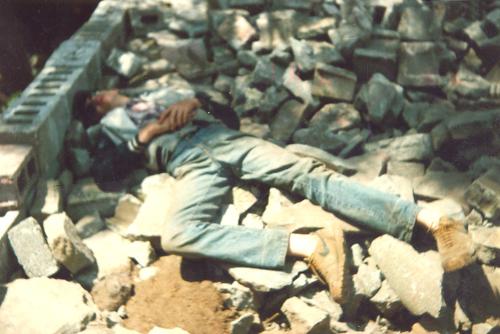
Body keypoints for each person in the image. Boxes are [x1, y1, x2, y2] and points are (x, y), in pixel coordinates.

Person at [74, 87, 476, 304]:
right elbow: (105, 172)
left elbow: (227, 117)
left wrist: (197, 102)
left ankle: (432, 221)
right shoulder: (107, 132)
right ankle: (308, 246)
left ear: (111, 88)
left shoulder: (160, 91)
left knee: (307, 174)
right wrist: (144, 137)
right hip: (187, 162)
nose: (98, 102)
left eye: (97, 95)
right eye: (91, 108)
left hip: (221, 137)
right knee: (177, 236)